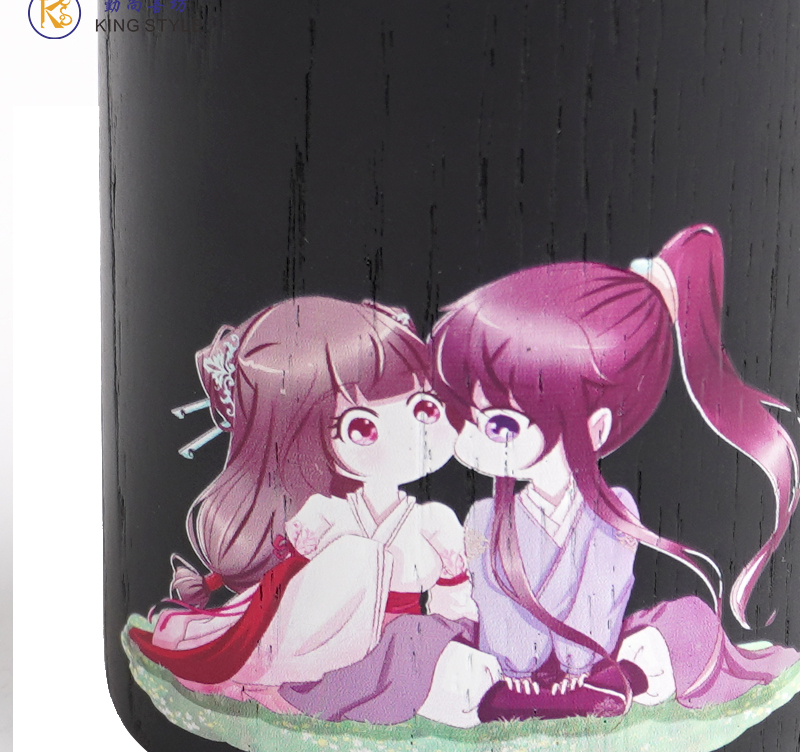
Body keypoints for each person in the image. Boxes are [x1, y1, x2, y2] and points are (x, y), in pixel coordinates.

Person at [430, 224, 800, 721]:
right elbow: (504, 633)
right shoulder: (483, 518)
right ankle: (520, 698)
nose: (468, 440)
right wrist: (519, 671)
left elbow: (596, 618)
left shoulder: (614, 511)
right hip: (508, 670)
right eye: (465, 417)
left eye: (499, 424)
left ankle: (615, 684)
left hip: (593, 661)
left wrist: (582, 671)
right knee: (428, 646)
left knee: (687, 621)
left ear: (596, 428)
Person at [128, 296, 500, 728]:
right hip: (324, 656)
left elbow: (454, 606)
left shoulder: (433, 522)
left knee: (454, 674)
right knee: (357, 558)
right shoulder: (325, 514)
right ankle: (292, 685)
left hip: (405, 646)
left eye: (425, 407)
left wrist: (449, 620)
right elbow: (288, 598)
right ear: (307, 438)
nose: (411, 432)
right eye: (362, 426)